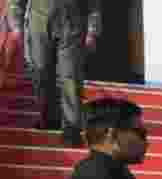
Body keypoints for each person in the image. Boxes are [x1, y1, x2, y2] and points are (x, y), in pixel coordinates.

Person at [7, 0, 100, 145]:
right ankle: (48, 118)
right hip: (38, 21)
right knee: (40, 72)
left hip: (71, 21)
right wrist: (16, 26)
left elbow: (93, 4)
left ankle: (71, 128)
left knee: (71, 75)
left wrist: (92, 30)